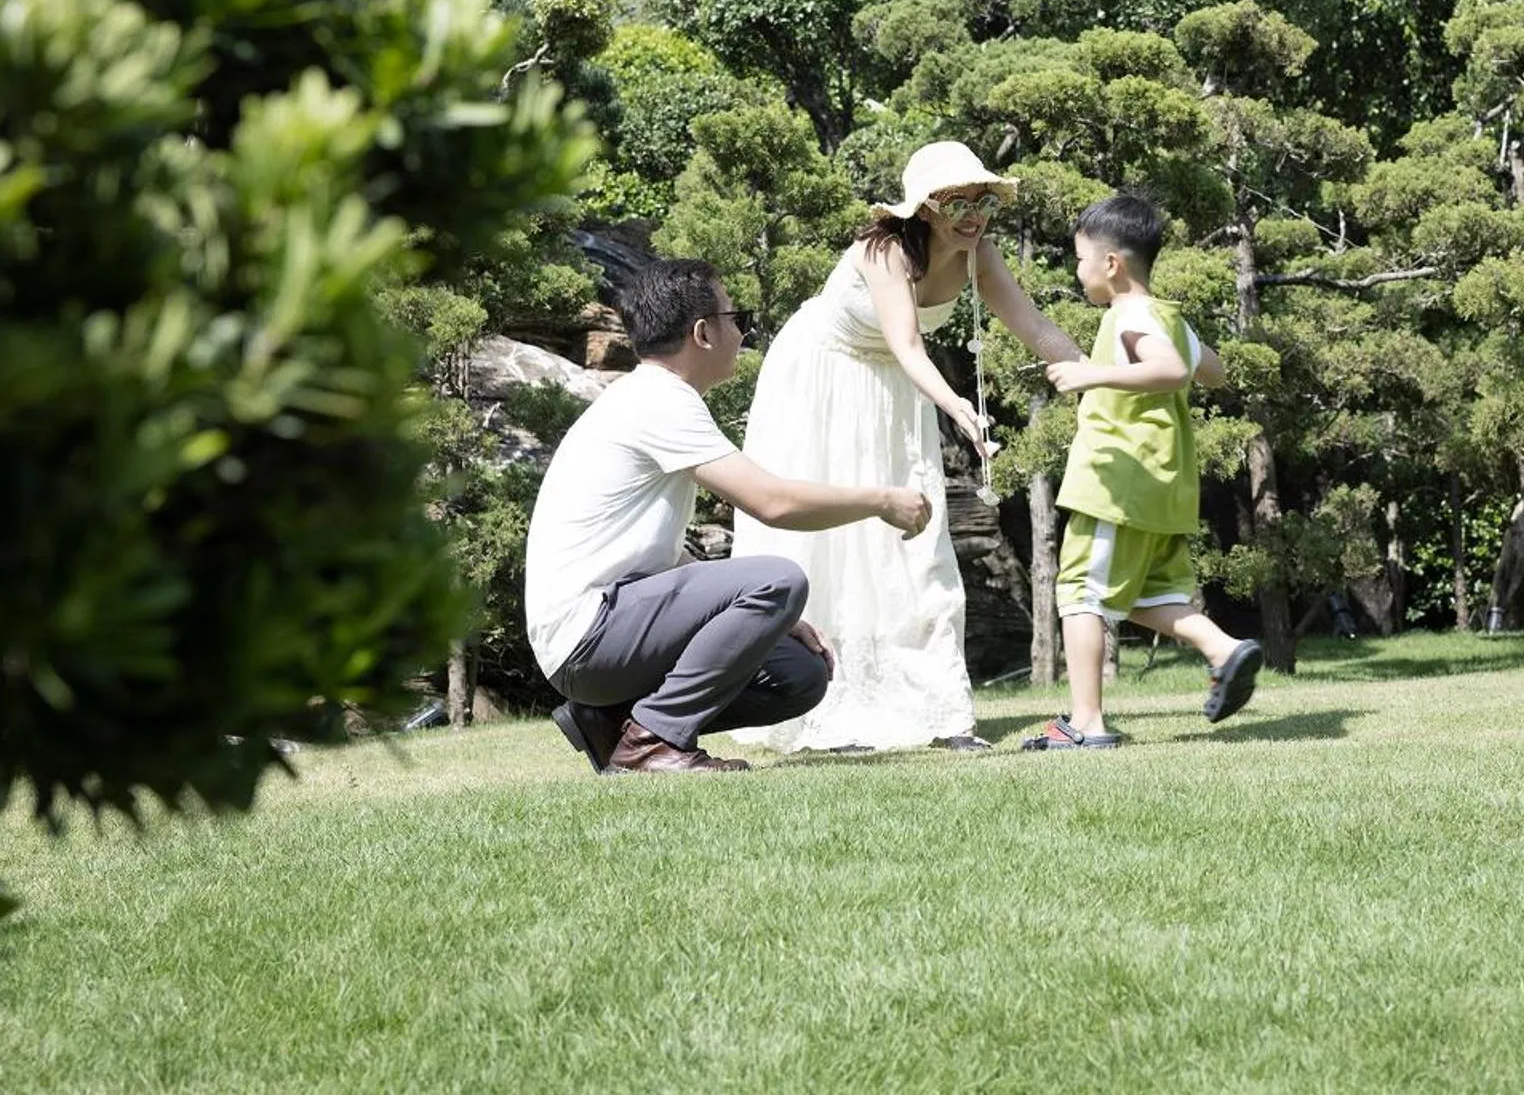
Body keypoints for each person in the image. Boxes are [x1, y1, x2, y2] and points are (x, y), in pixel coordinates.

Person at [728, 141, 1082, 753]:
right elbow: (908, 343)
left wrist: (1094, 377)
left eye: (983, 202)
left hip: (894, 390)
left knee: (914, 541)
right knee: (825, 541)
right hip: (820, 381)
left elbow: (1034, 326)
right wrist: (958, 409)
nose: (973, 216)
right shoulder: (884, 250)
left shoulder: (980, 255)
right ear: (925, 207)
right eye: (957, 202)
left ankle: (942, 714)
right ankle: (815, 705)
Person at [525, 258, 932, 775]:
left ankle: (610, 722)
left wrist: (769, 617)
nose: (743, 333)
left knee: (800, 675)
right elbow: (773, 503)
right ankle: (652, 742)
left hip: (603, 633)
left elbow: (656, 558)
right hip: (590, 636)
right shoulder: (659, 400)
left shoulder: (650, 397)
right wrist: (882, 501)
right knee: (779, 580)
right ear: (702, 333)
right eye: (737, 319)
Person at [1024, 194, 1262, 750]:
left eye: (1079, 260)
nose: (1077, 271)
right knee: (1141, 594)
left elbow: (1172, 370)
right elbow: (1212, 372)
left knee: (1080, 592)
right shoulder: (1166, 317)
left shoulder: (1129, 316)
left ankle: (1086, 724)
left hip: (1117, 483)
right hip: (1162, 486)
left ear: (1111, 264)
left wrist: (1093, 375)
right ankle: (1223, 649)